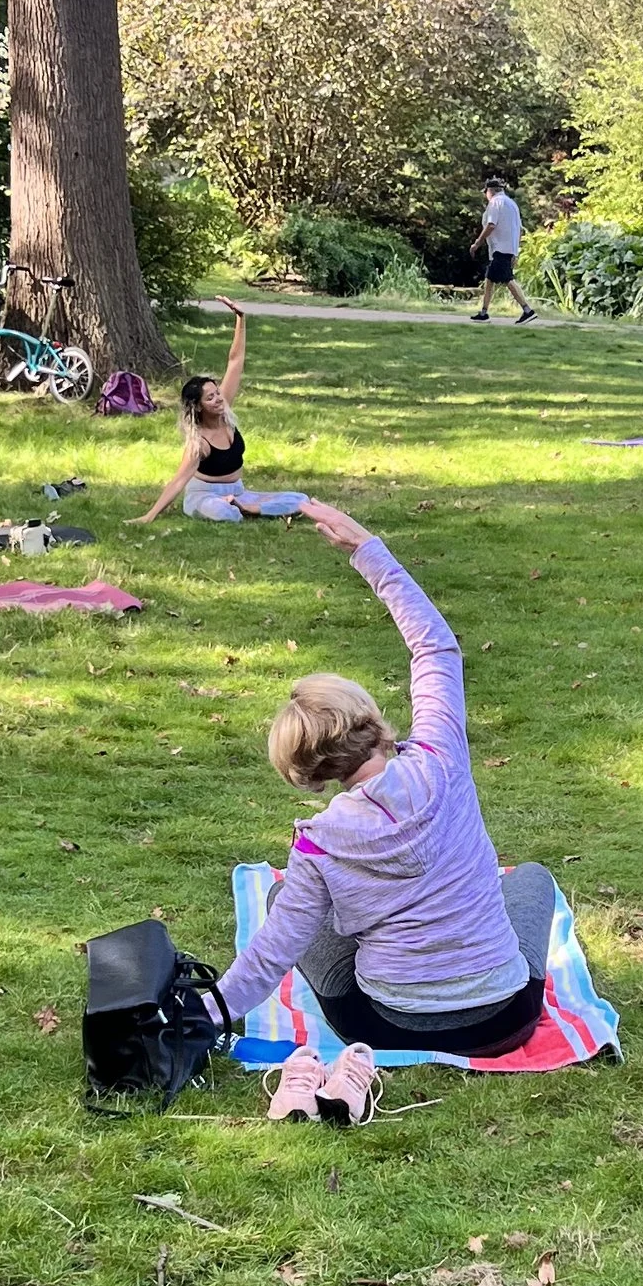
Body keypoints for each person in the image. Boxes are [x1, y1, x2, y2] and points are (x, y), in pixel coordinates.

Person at [217, 499, 556, 1115]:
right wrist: (368, 551)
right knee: (530, 878)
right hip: (505, 1021)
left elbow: (273, 953)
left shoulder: (318, 840)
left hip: (381, 1027)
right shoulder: (441, 757)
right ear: (372, 719)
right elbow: (435, 650)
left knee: (283, 901)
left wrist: (205, 1012)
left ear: (310, 776)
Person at [136, 302, 306, 523]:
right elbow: (178, 481)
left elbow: (235, 361)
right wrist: (149, 516)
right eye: (210, 398)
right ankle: (242, 509)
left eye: (217, 393)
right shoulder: (200, 443)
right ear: (198, 407)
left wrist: (240, 319)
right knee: (224, 513)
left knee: (301, 500)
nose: (218, 399)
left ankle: (247, 507)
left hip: (238, 493)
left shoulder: (224, 410)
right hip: (205, 496)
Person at [468, 176, 537, 323]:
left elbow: (491, 225)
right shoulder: (512, 204)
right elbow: (519, 230)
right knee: (489, 279)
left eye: (486, 192)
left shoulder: (495, 202)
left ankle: (527, 310)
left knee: (508, 279)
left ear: (490, 191)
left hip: (500, 248)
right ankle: (484, 313)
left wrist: (477, 243)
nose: (485, 195)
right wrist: (515, 251)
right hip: (508, 248)